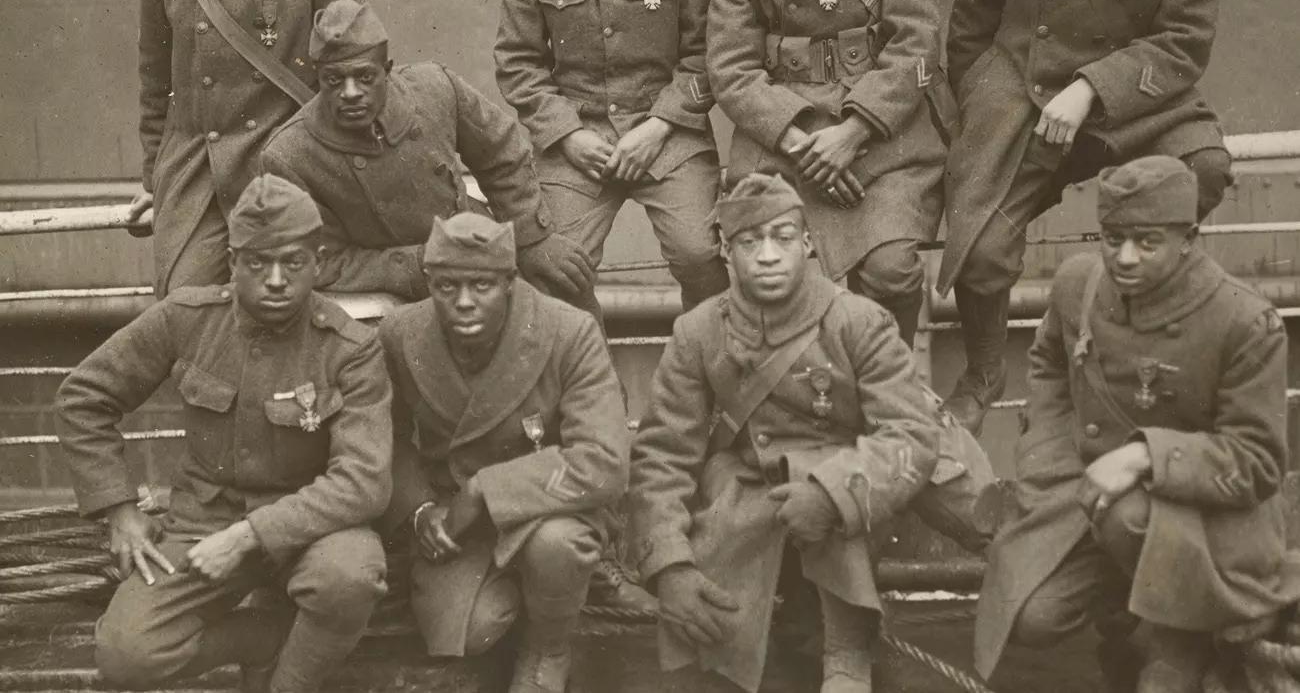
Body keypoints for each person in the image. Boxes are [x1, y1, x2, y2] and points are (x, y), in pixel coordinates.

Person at [938, 0, 1232, 433]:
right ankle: (983, 372)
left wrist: (1090, 89)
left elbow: (1183, 44)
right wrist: (986, 103)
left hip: (1134, 102)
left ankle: (1133, 321)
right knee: (981, 249)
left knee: (1205, 168)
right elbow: (971, 20)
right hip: (1025, 94)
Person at [974, 156, 1299, 693]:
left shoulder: (1244, 321)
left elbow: (1259, 462)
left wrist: (1145, 456)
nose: (1124, 257)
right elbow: (1049, 361)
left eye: (1147, 242)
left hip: (1208, 522)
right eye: (1113, 238)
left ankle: (1181, 639)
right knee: (1032, 614)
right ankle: (1132, 621)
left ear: (1188, 239)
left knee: (1127, 516)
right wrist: (1046, 457)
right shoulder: (1079, 285)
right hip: (1090, 495)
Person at [56, 174, 392, 693]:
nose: (276, 280)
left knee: (349, 576)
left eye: (293, 263)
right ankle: (261, 639)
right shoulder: (186, 318)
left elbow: (364, 481)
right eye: (257, 263)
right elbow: (83, 397)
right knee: (128, 655)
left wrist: (247, 536)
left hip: (310, 530)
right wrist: (119, 510)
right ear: (233, 262)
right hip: (202, 524)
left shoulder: (349, 347)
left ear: (318, 262)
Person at [628, 173, 953, 693]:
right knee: (714, 660)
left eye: (782, 237)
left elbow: (910, 435)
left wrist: (831, 496)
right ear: (726, 251)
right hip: (746, 492)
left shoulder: (858, 320)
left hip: (844, 494)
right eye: (749, 242)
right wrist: (668, 565)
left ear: (807, 243)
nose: (767, 256)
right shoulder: (699, 331)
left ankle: (847, 652)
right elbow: (663, 455)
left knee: (835, 488)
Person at [706, 0, 949, 348]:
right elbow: (731, 68)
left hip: (882, 136)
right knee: (766, 273)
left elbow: (916, 40)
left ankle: (887, 377)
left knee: (891, 272)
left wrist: (854, 131)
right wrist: (804, 144)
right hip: (785, 141)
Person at [493, 0, 729, 316]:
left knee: (701, 254)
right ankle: (588, 366)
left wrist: (659, 126)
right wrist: (568, 135)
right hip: (578, 138)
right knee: (555, 267)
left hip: (668, 135)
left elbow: (707, 55)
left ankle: (708, 359)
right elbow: (518, 63)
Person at [379, 212, 630, 693]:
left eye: (482, 285)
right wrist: (419, 509)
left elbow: (605, 461)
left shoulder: (568, 331)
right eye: (447, 286)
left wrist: (485, 490)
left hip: (549, 507)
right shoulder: (400, 334)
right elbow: (382, 438)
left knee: (557, 546)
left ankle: (549, 646)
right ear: (429, 283)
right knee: (472, 631)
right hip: (457, 523)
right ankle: (532, 598)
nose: (464, 302)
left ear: (510, 282)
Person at [128, 0, 364, 295]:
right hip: (199, 177)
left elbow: (360, 70)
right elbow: (156, 92)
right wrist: (155, 180)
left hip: (290, 169)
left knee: (288, 297)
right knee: (185, 305)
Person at [260, 0, 595, 307]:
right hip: (395, 283)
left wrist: (531, 238)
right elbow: (323, 261)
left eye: (365, 77)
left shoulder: (434, 88)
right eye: (334, 80)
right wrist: (421, 263)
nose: (350, 93)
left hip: (475, 241)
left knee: (565, 287)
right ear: (317, 77)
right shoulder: (289, 155)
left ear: (387, 70)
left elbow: (502, 153)